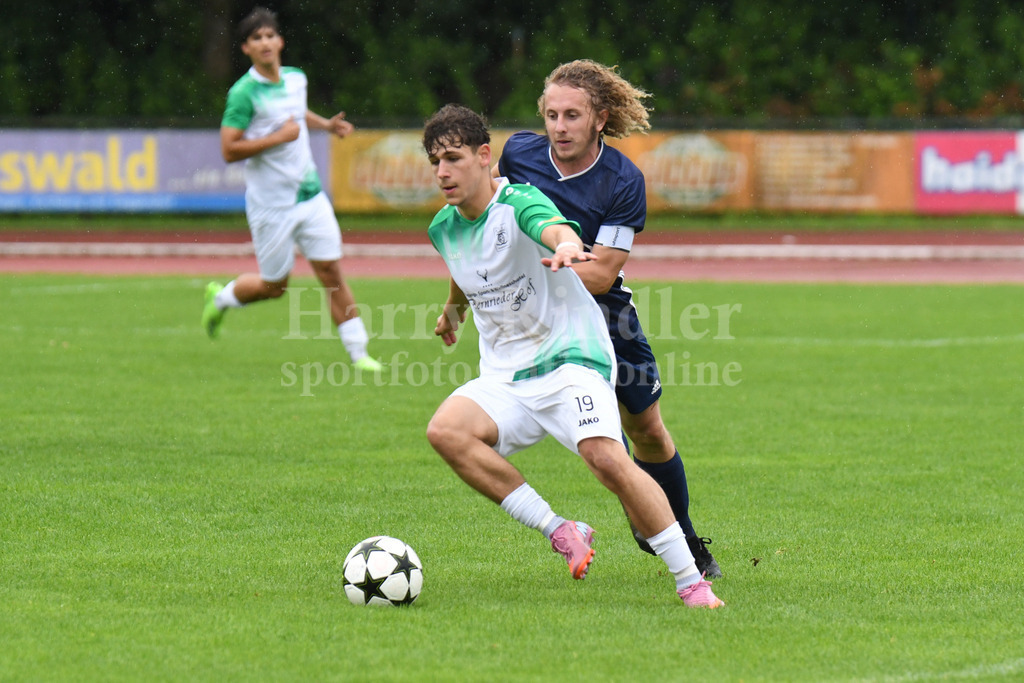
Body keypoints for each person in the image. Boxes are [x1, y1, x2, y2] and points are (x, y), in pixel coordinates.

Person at [422, 103, 723, 608]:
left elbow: (552, 226)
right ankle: (562, 530)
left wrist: (565, 245)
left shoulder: (518, 201)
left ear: (483, 156)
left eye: (453, 158)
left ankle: (692, 581)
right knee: (445, 431)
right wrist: (452, 311)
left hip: (570, 358)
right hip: (506, 375)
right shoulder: (442, 227)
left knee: (606, 457)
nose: (443, 172)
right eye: (435, 162)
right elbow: (463, 263)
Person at [496, 59, 722, 577]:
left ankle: (681, 532)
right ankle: (667, 542)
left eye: (572, 115)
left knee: (649, 431)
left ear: (599, 118)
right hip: (535, 322)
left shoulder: (623, 179)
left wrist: (551, 258)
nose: (559, 126)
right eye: (551, 114)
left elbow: (601, 277)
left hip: (606, 317)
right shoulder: (520, 154)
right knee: (605, 447)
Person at [201, 7, 381, 373]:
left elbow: (297, 113)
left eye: (270, 35)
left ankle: (359, 354)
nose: (265, 43)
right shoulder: (243, 94)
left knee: (331, 272)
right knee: (274, 287)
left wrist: (325, 125)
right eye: (256, 38)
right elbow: (228, 149)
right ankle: (220, 298)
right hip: (272, 206)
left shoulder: (296, 79)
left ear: (280, 41)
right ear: (246, 48)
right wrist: (276, 138)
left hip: (310, 197)